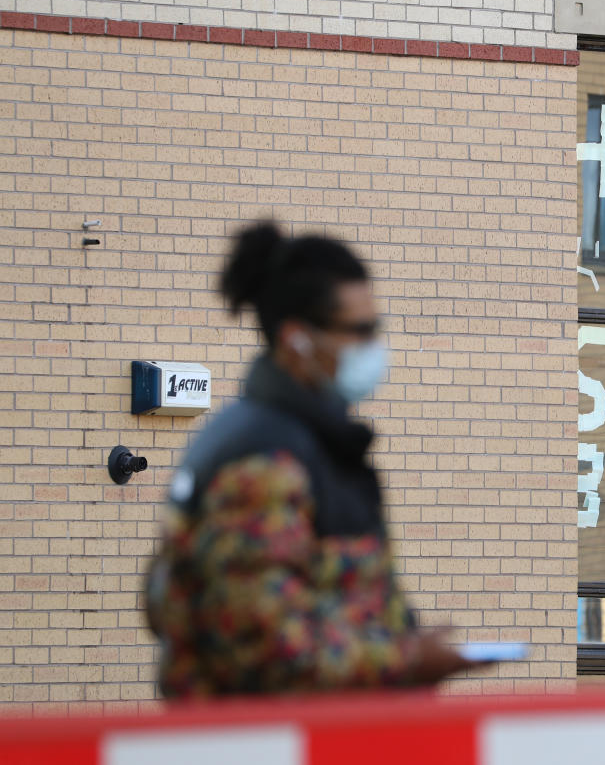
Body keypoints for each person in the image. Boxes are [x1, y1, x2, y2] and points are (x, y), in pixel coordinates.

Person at [145, 221, 480, 697]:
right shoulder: (263, 463)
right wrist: (409, 659)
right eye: (360, 330)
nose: (374, 346)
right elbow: (265, 645)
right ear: (297, 338)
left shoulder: (303, 444)